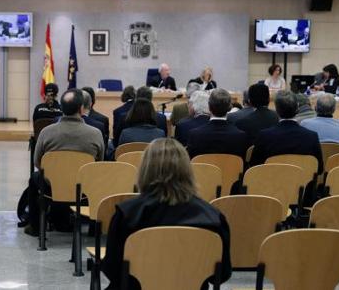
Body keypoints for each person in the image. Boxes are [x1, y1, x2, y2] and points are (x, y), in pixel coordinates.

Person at [101, 138, 231, 290]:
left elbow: (112, 270)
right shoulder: (213, 217)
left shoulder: (126, 214)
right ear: (187, 170)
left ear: (145, 169)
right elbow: (222, 274)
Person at [25, 89, 104, 236]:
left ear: (61, 108)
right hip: (84, 190)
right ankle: (94, 227)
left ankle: (35, 226)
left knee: (34, 179)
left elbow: (38, 162)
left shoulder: (46, 132)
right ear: (82, 108)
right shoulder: (95, 133)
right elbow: (99, 163)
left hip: (51, 187)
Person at [250, 91, 323, 174]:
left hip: (270, 184)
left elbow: (254, 168)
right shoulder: (311, 136)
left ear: (276, 110)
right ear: (298, 108)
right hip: (302, 184)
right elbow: (319, 169)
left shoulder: (264, 136)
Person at [187, 89, 248, 160]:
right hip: (230, 170)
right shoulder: (241, 136)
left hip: (203, 171)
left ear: (209, 107)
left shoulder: (195, 135)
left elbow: (191, 162)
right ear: (229, 108)